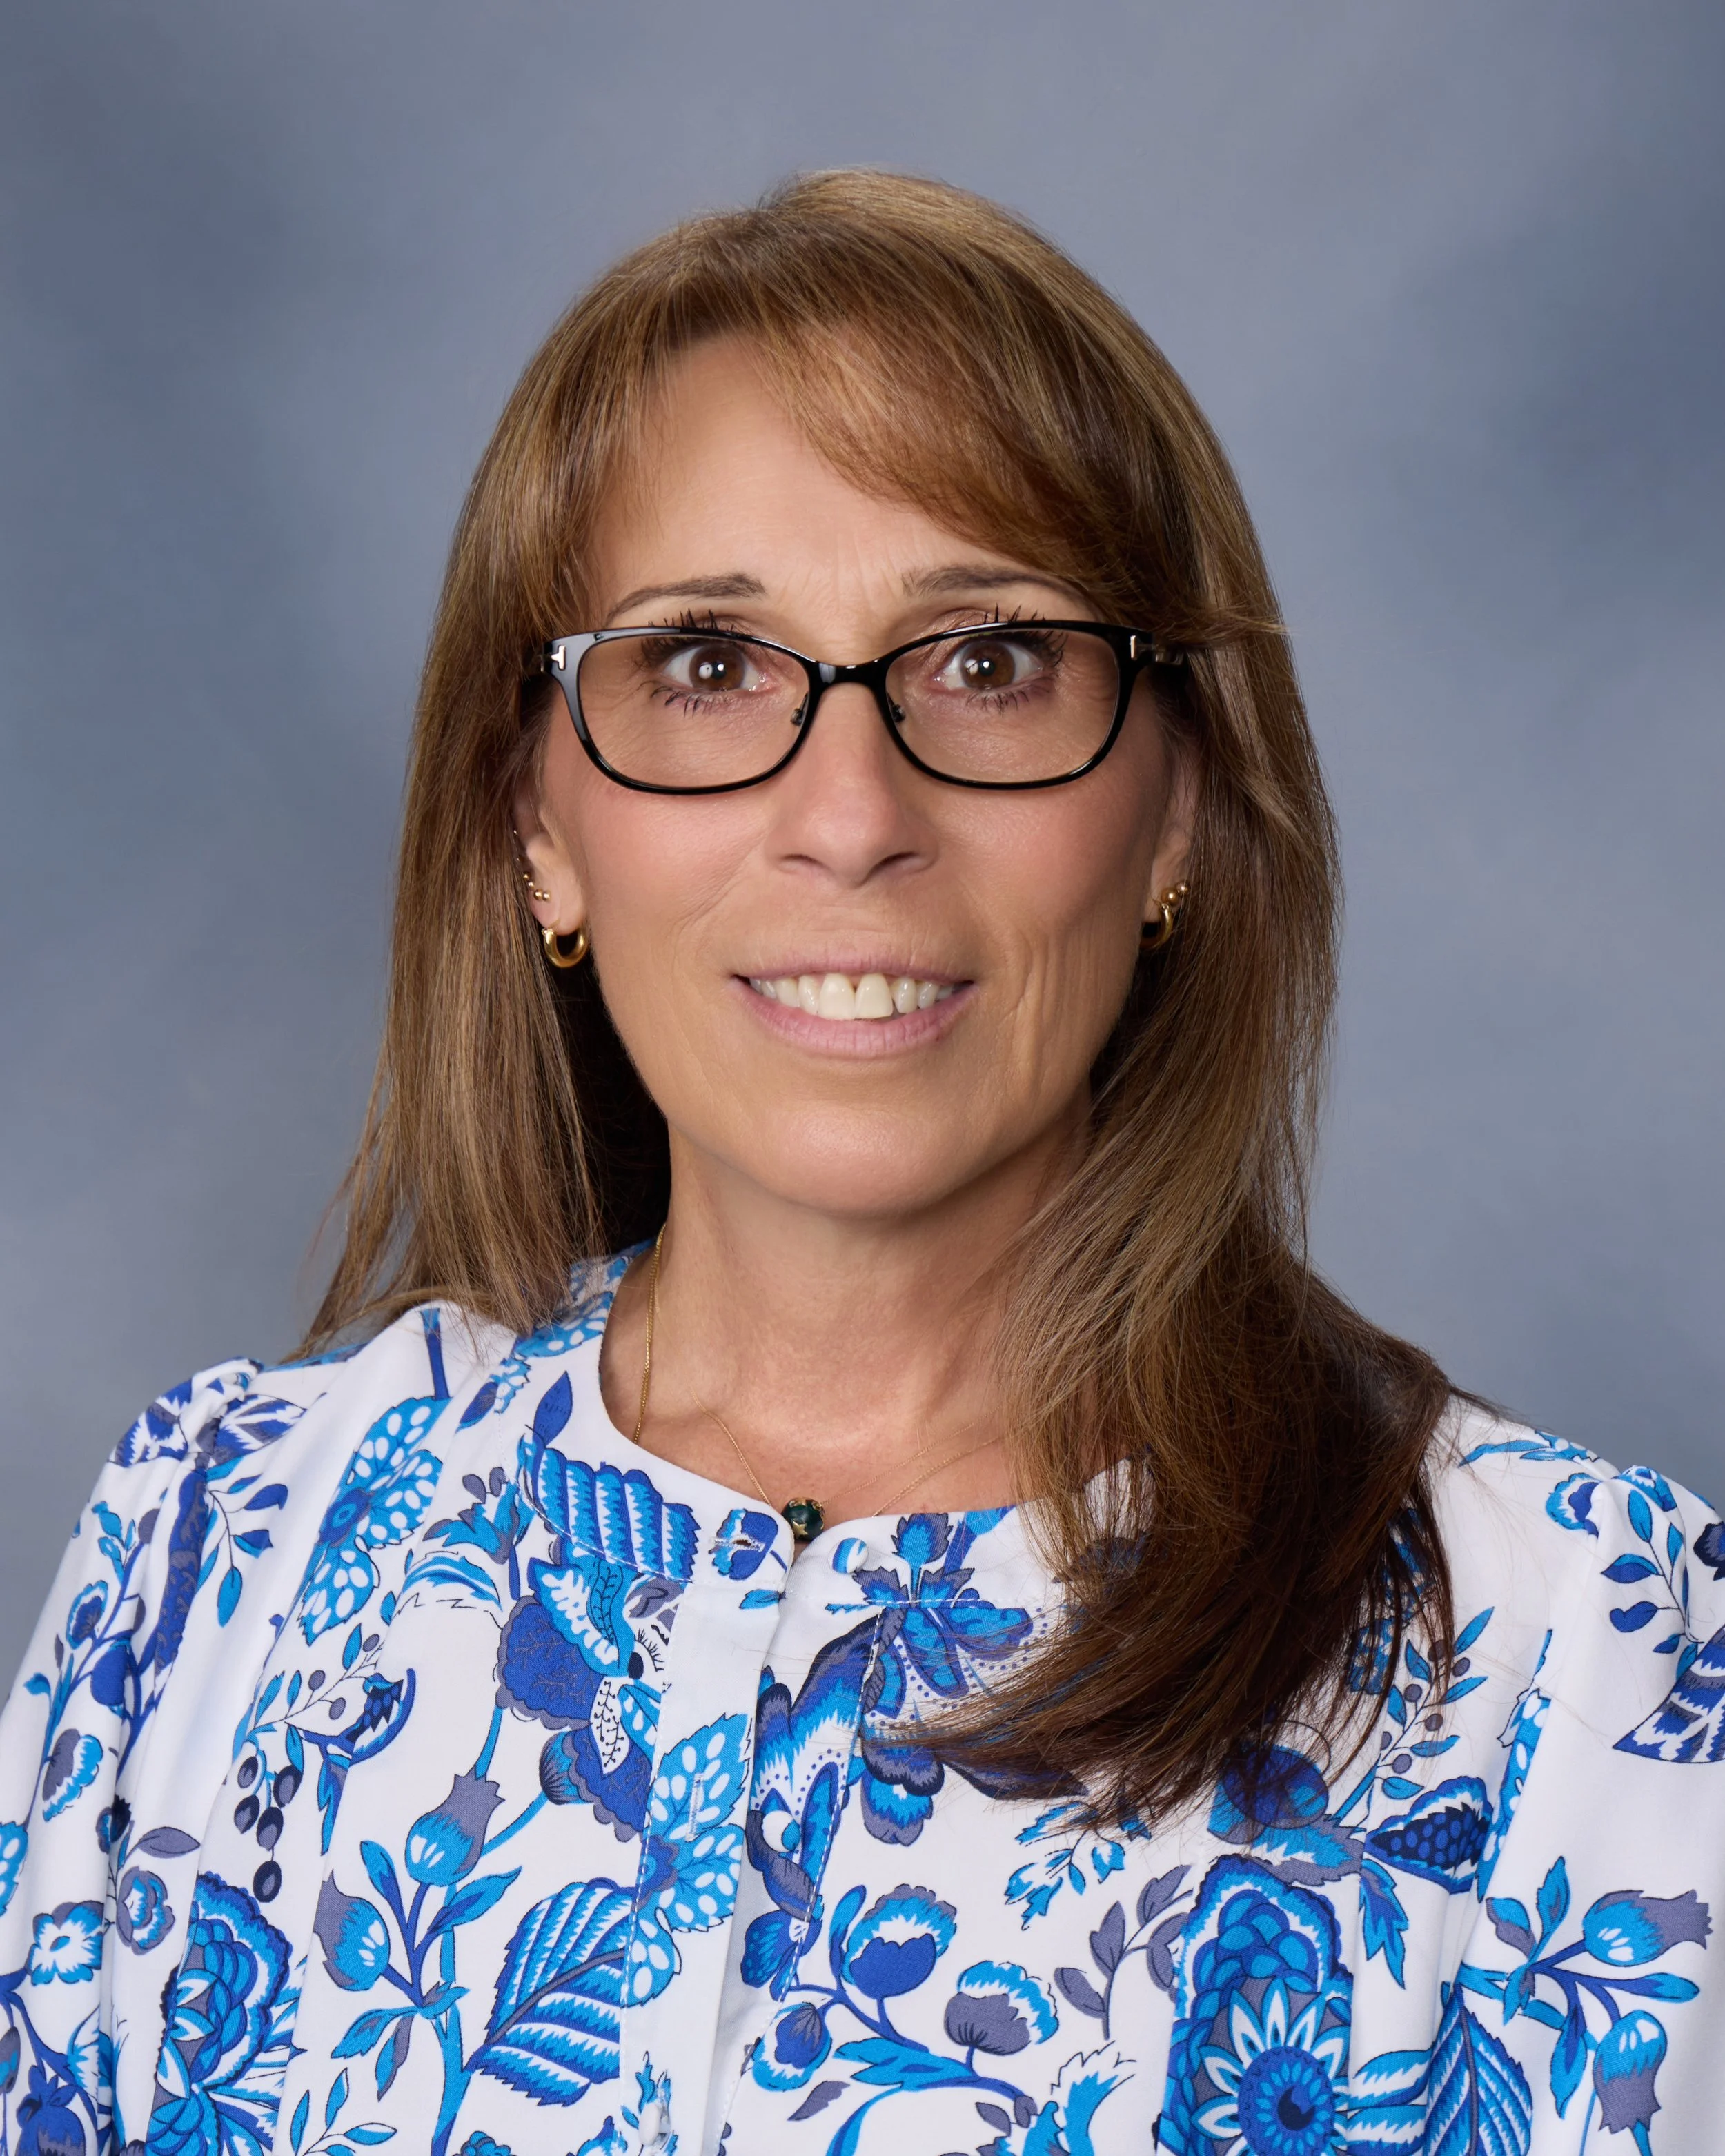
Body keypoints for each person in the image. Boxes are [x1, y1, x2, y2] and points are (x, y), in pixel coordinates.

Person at [1, 170, 1720, 2156]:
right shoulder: (214, 1555)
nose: (849, 811)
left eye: (987, 661)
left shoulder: (1575, 1649)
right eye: (708, 665)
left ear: (1174, 814)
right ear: (535, 826)